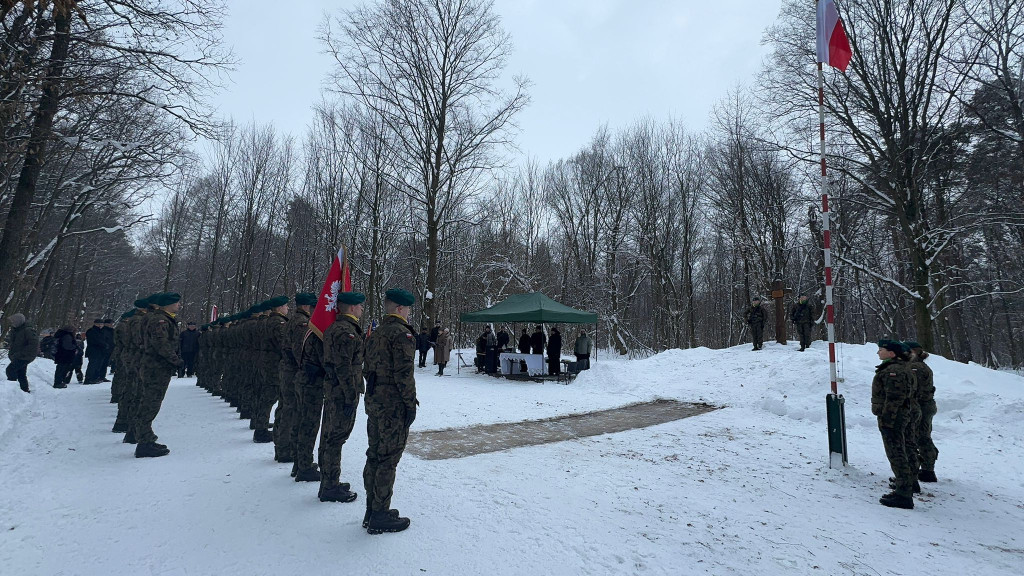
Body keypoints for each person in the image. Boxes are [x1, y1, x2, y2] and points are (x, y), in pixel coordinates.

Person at [362, 288, 417, 534]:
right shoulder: (401, 334)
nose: (408, 314)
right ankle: (380, 514)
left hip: (374, 401)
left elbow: (367, 367)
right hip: (392, 404)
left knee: (374, 454)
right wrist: (409, 403)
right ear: (400, 309)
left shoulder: (375, 333)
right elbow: (404, 374)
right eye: (407, 309)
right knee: (388, 458)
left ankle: (372, 509)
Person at [320, 291, 366, 503]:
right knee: (336, 439)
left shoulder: (333, 328)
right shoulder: (346, 332)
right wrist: (349, 396)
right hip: (342, 392)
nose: (362, 309)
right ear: (351, 308)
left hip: (333, 389)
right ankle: (330, 486)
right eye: (359, 306)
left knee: (331, 437)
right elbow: (344, 367)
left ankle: (329, 481)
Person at [134, 292, 184, 458]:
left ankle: (145, 437)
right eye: (176, 303)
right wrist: (176, 360)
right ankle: (144, 442)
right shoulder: (159, 320)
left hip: (155, 365)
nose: (178, 305)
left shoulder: (160, 318)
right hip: (156, 366)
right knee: (151, 402)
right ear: (167, 304)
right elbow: (160, 344)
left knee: (150, 401)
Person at [871, 339, 916, 509]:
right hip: (898, 416)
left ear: (891, 353)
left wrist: (887, 419)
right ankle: (905, 487)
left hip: (893, 418)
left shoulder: (894, 371)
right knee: (901, 452)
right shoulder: (895, 368)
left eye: (881, 349)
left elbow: (894, 398)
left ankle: (903, 493)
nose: (878, 353)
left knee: (897, 454)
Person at [274, 292, 317, 464]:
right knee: (291, 410)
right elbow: (299, 350)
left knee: (287, 407)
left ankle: (284, 447)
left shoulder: (293, 320)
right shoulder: (301, 323)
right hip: (293, 371)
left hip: (288, 369)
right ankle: (285, 449)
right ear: (306, 306)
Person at [907, 342, 938, 483]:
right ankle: (927, 468)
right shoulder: (919, 366)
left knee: (921, 438)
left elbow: (914, 389)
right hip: (925, 405)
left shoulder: (916, 367)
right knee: (923, 436)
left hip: (921, 406)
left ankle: (927, 469)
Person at [5, 313, 38, 393]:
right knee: (21, 373)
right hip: (18, 355)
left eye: (13, 321)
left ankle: (11, 390)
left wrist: (20, 353)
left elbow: (33, 344)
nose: (12, 323)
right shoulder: (16, 330)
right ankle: (24, 390)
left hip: (25, 356)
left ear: (19, 321)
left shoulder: (28, 330)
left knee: (10, 370)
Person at [84, 318, 107, 384]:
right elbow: (94, 341)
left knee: (98, 365)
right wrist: (104, 344)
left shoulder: (102, 331)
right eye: (98, 324)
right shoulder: (91, 331)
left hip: (101, 351)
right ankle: (88, 378)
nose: (100, 325)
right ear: (95, 324)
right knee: (92, 365)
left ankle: (94, 378)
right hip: (93, 351)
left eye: (101, 324)